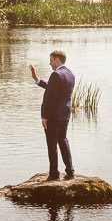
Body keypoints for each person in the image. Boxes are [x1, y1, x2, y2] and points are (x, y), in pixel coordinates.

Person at [30, 49, 76, 181]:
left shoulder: (56, 74)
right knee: (63, 140)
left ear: (56, 60)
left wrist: (45, 116)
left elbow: (51, 97)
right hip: (65, 115)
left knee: (51, 144)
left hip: (54, 116)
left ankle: (54, 174)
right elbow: (53, 88)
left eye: (51, 60)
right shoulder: (70, 74)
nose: (49, 63)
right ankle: (70, 171)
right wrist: (37, 79)